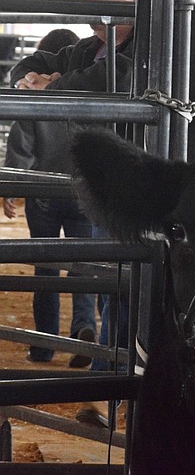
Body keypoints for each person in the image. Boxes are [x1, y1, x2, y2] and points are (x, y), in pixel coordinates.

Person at [9, 0, 135, 424]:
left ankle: (105, 386)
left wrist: (57, 84)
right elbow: (35, 65)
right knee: (107, 283)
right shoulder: (87, 49)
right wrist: (28, 77)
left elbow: (120, 76)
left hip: (140, 191)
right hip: (96, 193)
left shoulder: (153, 42)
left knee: (117, 286)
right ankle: (107, 383)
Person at [3, 27, 93, 367]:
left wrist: (12, 187)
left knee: (46, 270)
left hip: (43, 196)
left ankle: (43, 346)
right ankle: (84, 329)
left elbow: (21, 145)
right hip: (83, 196)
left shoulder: (38, 97)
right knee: (84, 269)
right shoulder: (89, 96)